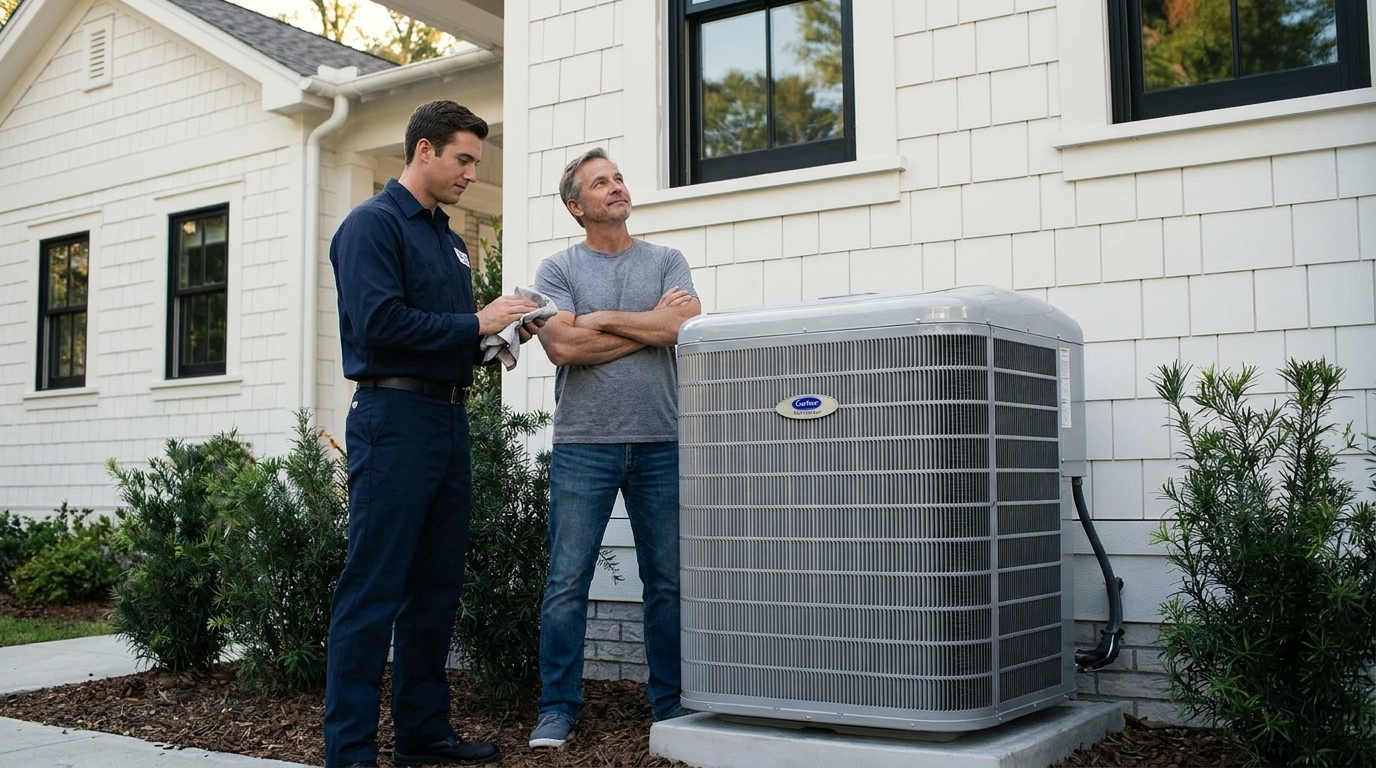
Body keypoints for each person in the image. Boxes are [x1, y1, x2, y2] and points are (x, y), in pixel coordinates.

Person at [324, 100, 543, 768]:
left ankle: (423, 734)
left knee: (436, 589)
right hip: (393, 422)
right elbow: (379, 326)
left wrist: (501, 334)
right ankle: (351, 751)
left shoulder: (449, 241)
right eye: (464, 158)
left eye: (476, 160)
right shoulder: (371, 227)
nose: (472, 172)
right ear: (424, 150)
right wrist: (477, 321)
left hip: (447, 420)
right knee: (374, 588)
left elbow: (450, 338)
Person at [527, 148, 702, 749]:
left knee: (669, 582)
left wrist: (598, 318)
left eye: (619, 178)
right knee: (567, 581)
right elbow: (563, 350)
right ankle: (557, 708)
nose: (616, 188)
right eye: (600, 183)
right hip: (584, 445)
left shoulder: (667, 260)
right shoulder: (557, 270)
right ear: (577, 206)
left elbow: (681, 329)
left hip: (661, 439)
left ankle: (671, 703)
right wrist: (645, 324)